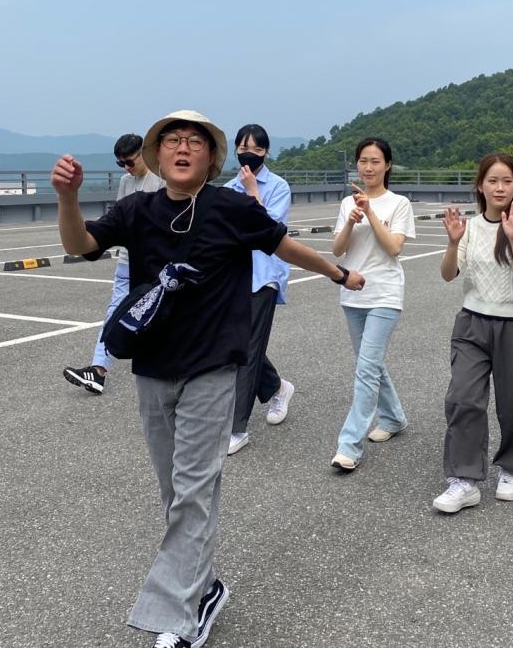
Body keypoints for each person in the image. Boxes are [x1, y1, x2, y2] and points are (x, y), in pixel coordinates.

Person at [50, 110, 364, 648]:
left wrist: (338, 272)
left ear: (212, 158)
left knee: (194, 491)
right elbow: (80, 244)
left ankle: (179, 620)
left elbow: (282, 245)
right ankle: (208, 586)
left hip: (213, 369)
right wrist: (67, 198)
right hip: (152, 369)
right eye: (172, 140)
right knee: (175, 494)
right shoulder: (137, 209)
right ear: (157, 155)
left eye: (194, 142)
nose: (182, 147)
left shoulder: (230, 207)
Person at [433, 152, 513, 513]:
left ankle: (512, 468)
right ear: (480, 186)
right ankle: (464, 480)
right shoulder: (470, 227)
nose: (500, 187)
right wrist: (453, 242)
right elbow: (448, 274)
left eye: (507, 181)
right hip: (472, 323)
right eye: (493, 180)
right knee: (463, 397)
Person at [330, 137, 416, 472]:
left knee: (366, 368)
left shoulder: (399, 203)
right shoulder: (346, 203)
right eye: (363, 161)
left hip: (385, 294)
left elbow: (394, 248)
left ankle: (349, 445)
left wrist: (370, 213)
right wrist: (352, 219)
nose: (368, 167)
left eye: (375, 161)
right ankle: (393, 417)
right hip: (353, 294)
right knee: (371, 364)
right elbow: (338, 250)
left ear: (388, 165)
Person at [62, 133, 163, 395]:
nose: (126, 168)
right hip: (127, 261)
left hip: (154, 263)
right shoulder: (126, 182)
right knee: (115, 311)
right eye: (121, 164)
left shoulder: (161, 179)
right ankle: (98, 370)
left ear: (144, 153)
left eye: (129, 161)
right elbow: (119, 219)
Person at [223, 124, 294, 456]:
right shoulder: (227, 188)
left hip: (264, 276)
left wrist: (252, 190)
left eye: (254, 148)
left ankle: (236, 428)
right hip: (231, 277)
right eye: (242, 147)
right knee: (233, 343)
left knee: (248, 351)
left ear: (265, 152)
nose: (247, 152)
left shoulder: (278, 186)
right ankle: (277, 387)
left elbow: (267, 230)